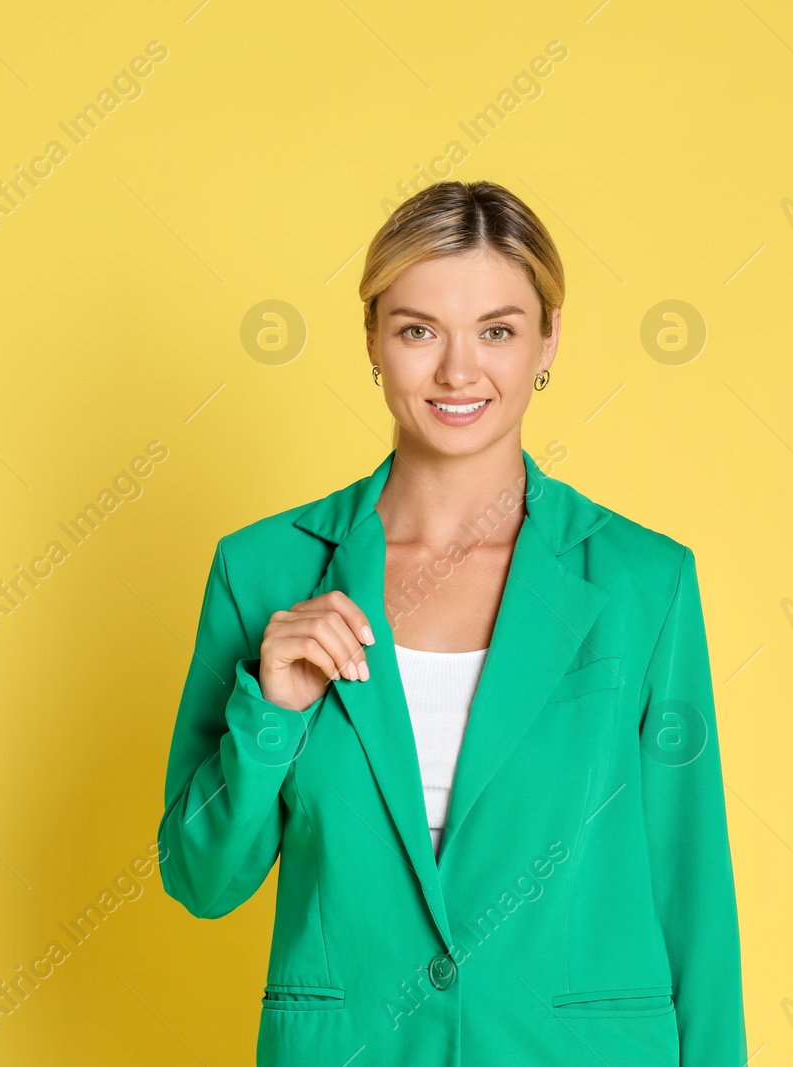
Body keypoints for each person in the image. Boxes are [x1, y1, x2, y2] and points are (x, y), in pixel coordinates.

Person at [157, 179, 745, 1066]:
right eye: (418, 329)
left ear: (549, 340)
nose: (458, 372)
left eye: (498, 330)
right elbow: (201, 879)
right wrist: (271, 715)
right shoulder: (264, 571)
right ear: (373, 341)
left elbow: (692, 896)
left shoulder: (643, 583)